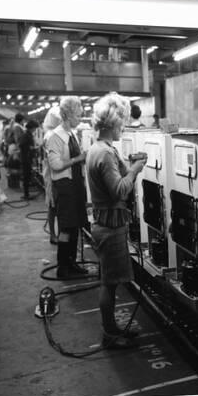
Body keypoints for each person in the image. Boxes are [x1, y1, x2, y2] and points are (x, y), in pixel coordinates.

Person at [86, 92, 147, 349]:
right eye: (122, 121)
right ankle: (109, 335)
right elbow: (120, 190)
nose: (124, 126)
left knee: (109, 282)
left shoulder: (99, 149)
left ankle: (112, 329)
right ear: (113, 123)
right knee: (109, 284)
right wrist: (135, 170)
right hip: (109, 228)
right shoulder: (106, 154)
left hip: (105, 223)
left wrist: (128, 164)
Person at [46, 96, 88, 278]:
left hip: (75, 186)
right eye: (78, 115)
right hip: (64, 188)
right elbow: (55, 165)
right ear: (68, 115)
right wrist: (79, 158)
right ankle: (63, 266)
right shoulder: (55, 137)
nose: (80, 118)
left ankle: (71, 262)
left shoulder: (71, 134)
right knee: (66, 229)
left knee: (75, 226)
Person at [42, 106, 62, 244]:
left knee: (57, 206)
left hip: (55, 173)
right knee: (53, 206)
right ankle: (53, 235)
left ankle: (58, 234)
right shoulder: (50, 135)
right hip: (52, 174)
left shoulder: (55, 133)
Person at [18, 119, 39, 200]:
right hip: (26, 159)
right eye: (35, 128)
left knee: (27, 176)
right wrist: (32, 148)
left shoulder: (28, 134)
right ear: (32, 127)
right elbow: (22, 145)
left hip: (27, 158)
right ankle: (26, 194)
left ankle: (26, 194)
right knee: (26, 176)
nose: (35, 130)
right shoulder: (26, 135)